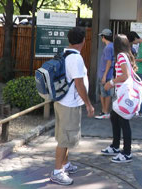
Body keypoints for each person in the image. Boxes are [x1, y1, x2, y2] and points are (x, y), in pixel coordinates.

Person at [50, 27, 94, 186]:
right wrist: (88, 104)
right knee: (64, 138)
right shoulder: (76, 59)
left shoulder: (64, 53)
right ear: (83, 41)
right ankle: (57, 172)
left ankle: (65, 164)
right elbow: (79, 83)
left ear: (69, 40)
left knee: (64, 135)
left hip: (61, 100)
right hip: (69, 103)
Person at [101, 34, 136, 163]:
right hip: (122, 93)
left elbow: (125, 76)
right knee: (115, 118)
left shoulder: (121, 56)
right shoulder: (126, 55)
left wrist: (110, 82)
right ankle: (115, 146)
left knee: (123, 122)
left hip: (122, 94)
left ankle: (127, 152)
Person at [95, 29, 114, 120]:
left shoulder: (108, 48)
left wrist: (104, 75)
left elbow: (109, 62)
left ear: (104, 37)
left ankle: (105, 111)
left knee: (103, 93)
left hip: (105, 73)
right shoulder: (112, 46)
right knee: (107, 93)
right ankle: (105, 111)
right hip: (108, 74)